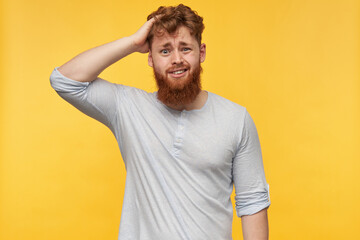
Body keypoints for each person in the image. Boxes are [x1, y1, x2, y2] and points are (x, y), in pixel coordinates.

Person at [49, 4, 270, 240]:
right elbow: (64, 80)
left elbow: (252, 202)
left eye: (185, 49)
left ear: (201, 52)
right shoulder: (129, 108)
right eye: (164, 51)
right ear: (150, 58)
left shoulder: (236, 119)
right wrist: (133, 43)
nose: (176, 59)